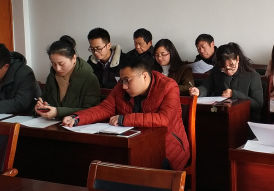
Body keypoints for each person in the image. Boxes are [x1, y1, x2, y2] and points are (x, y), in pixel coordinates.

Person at [61, 56, 190, 171]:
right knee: (103, 162)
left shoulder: (168, 86)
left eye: (127, 80)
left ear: (144, 76)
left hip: (167, 147)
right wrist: (77, 118)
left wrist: (124, 120)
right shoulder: (121, 86)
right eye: (122, 80)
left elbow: (164, 119)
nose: (124, 86)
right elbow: (105, 108)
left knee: (139, 172)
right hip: (133, 144)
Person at [189, 43, 264, 121]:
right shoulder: (217, 70)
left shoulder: (252, 76)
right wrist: (199, 91)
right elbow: (207, 87)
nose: (228, 71)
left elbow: (258, 105)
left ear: (237, 59)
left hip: (244, 118)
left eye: (232, 67)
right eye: (224, 68)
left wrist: (234, 94)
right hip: (220, 114)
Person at [34, 36, 100, 119]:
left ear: (74, 58)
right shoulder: (52, 76)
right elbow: (45, 99)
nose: (57, 68)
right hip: (51, 123)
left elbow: (91, 110)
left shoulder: (89, 78)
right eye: (53, 64)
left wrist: (58, 112)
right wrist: (40, 107)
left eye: (61, 64)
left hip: (77, 125)